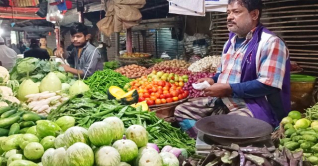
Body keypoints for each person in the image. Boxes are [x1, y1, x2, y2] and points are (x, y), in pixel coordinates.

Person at [174, 0, 290, 138]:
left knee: (231, 125)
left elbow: (268, 85)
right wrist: (212, 80)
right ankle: (209, 143)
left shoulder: (270, 43)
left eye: (236, 12)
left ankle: (218, 144)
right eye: (228, 12)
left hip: (253, 105)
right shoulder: (231, 42)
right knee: (182, 111)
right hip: (224, 100)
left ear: (254, 14)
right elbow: (223, 73)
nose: (229, 17)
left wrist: (229, 89)